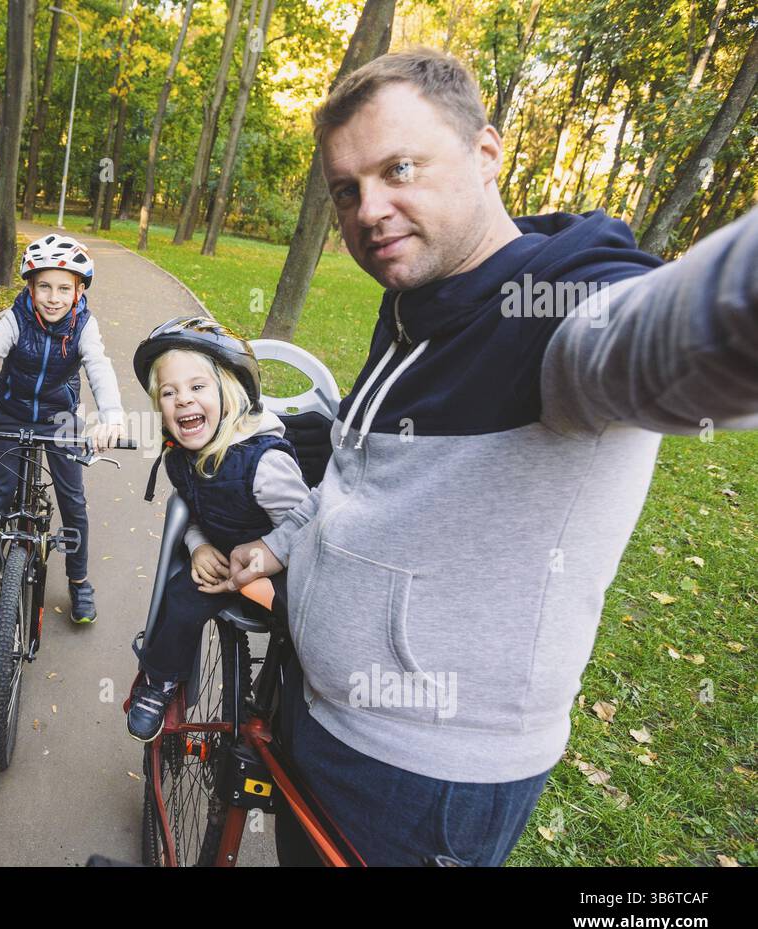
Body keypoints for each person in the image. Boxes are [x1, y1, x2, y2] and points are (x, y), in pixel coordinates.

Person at [221, 48, 758, 866]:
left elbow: (672, 338)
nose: (370, 209)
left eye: (400, 168)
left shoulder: (563, 311)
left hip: (419, 779)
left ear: (486, 154)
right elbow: (375, 470)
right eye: (347, 189)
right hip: (320, 708)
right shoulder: (414, 302)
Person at [124, 317, 310, 741]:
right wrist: (199, 546)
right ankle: (160, 681)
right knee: (180, 599)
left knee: (306, 631)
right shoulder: (178, 458)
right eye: (169, 393)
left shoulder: (264, 464)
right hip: (222, 563)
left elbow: (307, 528)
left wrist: (265, 560)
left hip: (282, 567)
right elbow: (191, 509)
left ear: (229, 394)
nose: (182, 400)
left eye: (197, 387)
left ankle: (301, 710)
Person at [0, 234, 125, 624]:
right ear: (31, 288)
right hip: (14, 414)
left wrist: (113, 418)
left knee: (72, 500)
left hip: (59, 418)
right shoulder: (15, 319)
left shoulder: (84, 326)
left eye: (64, 288)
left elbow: (99, 368)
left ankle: (79, 579)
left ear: (79, 290)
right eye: (44, 287)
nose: (53, 297)